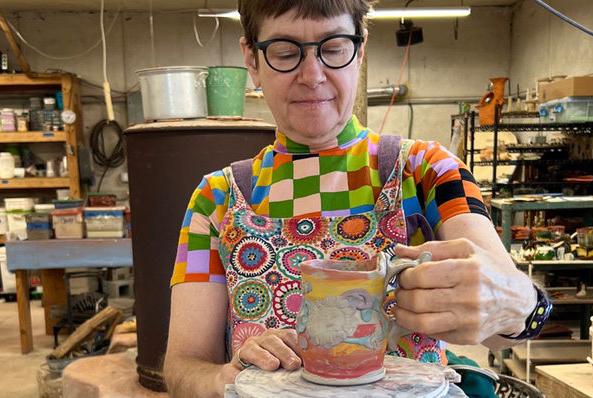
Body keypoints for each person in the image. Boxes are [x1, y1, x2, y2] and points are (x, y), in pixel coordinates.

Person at [164, 1, 551, 397]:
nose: (312, 76)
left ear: (360, 50)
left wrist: (518, 301)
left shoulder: (427, 172)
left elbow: (505, 332)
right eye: (285, 52)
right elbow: (182, 367)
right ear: (252, 59)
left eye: (333, 49)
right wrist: (226, 378)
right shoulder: (218, 199)